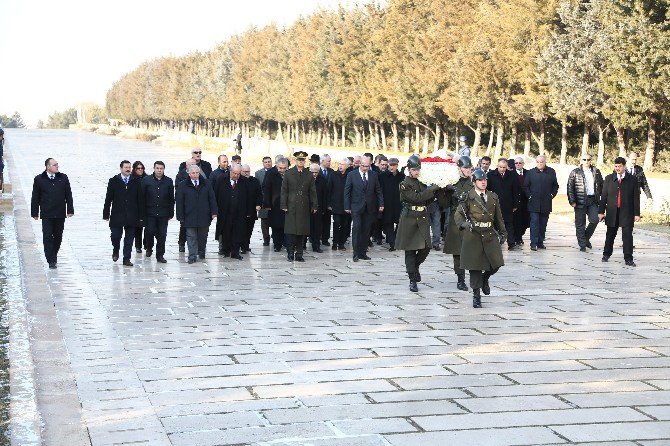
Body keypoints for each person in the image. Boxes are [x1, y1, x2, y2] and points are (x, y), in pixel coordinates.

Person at [454, 168, 507, 308]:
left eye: (485, 180)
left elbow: (499, 217)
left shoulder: (493, 197)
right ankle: (476, 296)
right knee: (475, 268)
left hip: (489, 233)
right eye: (480, 180)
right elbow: (458, 214)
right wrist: (465, 224)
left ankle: (485, 278)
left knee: (496, 263)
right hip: (474, 235)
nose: (483, 182)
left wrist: (503, 233)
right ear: (474, 182)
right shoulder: (467, 197)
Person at [395, 156, 441, 292]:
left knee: (426, 247)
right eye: (414, 169)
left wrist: (435, 191)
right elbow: (417, 198)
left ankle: (414, 268)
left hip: (422, 217)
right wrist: (431, 189)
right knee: (410, 250)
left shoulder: (421, 182)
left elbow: (427, 200)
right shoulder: (404, 183)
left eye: (418, 169)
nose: (417, 172)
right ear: (409, 170)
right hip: (409, 218)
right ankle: (412, 279)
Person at [31, 158, 74, 269]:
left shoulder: (63, 178)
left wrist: (70, 209)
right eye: (55, 165)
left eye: (57, 165)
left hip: (60, 213)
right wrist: (34, 212)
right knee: (47, 237)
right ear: (48, 167)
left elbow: (68, 195)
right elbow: (35, 197)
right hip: (47, 213)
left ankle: (53, 254)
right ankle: (51, 259)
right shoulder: (39, 179)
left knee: (58, 236)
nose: (57, 167)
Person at [599, 157, 640, 266]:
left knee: (627, 236)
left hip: (627, 212)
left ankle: (628, 258)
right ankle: (606, 254)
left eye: (619, 166)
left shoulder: (632, 179)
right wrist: (601, 211)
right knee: (610, 234)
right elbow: (603, 196)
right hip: (612, 211)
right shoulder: (608, 179)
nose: (617, 168)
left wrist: (637, 214)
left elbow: (636, 197)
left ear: (624, 166)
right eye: (616, 166)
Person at [103, 160, 145, 266]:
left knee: (129, 239)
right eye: (126, 167)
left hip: (132, 215)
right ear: (121, 168)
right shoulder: (113, 181)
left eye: (129, 167)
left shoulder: (136, 181)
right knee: (115, 236)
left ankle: (126, 258)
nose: (128, 169)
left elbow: (140, 199)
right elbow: (108, 198)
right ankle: (116, 250)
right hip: (117, 214)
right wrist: (106, 213)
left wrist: (141, 216)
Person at [443, 156, 474, 291]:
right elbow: (444, 204)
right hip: (455, 220)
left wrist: (457, 192)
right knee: (458, 252)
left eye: (469, 168)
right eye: (466, 168)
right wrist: (444, 190)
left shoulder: (474, 182)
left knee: (473, 251)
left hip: (470, 218)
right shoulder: (452, 182)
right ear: (459, 168)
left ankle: (475, 275)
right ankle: (460, 279)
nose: (468, 170)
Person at [344, 156, 384, 262]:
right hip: (356, 206)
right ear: (359, 164)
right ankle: (355, 253)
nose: (365, 168)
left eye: (367, 166)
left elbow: (378, 190)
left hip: (369, 207)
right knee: (357, 228)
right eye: (363, 166)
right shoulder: (352, 175)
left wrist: (381, 203)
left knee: (366, 230)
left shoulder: (373, 175)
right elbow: (347, 191)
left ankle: (363, 253)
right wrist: (347, 206)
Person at [175, 165, 217, 264]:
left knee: (203, 236)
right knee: (191, 236)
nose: (195, 175)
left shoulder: (206, 183)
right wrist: (180, 216)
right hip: (189, 215)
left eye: (197, 173)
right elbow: (179, 201)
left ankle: (201, 252)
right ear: (189, 174)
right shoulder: (182, 185)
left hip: (204, 215)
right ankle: (192, 255)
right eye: (193, 173)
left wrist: (214, 211)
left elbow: (212, 198)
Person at [281, 151, 318, 262]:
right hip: (291, 206)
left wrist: (314, 205)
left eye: (302, 160)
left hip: (304, 206)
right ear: (295, 161)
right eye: (299, 160)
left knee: (302, 232)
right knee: (291, 231)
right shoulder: (289, 173)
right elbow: (284, 191)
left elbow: (312, 191)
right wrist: (283, 204)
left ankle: (299, 254)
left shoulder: (309, 174)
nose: (301, 162)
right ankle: (290, 252)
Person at [215, 164, 252, 260]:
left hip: (240, 213)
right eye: (234, 173)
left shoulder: (244, 181)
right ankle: (226, 251)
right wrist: (215, 210)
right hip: (225, 212)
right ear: (230, 171)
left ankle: (235, 252)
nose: (236, 176)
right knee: (226, 232)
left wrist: (248, 212)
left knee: (238, 232)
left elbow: (249, 198)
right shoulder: (221, 179)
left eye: (238, 174)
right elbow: (216, 194)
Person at [567, 154, 603, 251]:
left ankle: (586, 238)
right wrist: (572, 201)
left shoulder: (596, 171)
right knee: (580, 223)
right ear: (581, 160)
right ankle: (582, 244)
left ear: (591, 160)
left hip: (593, 200)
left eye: (588, 159)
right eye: (584, 159)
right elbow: (570, 188)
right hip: (580, 201)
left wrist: (602, 200)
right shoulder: (575, 172)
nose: (586, 161)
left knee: (595, 220)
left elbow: (601, 186)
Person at [523, 155, 559, 251]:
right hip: (533, 203)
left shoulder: (551, 172)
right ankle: (533, 243)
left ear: (545, 162)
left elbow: (555, 186)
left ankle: (540, 242)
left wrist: (551, 195)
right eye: (538, 162)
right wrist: (529, 196)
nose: (540, 164)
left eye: (541, 162)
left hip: (546, 203)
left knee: (543, 224)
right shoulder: (531, 172)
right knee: (534, 223)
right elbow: (525, 186)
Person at [142, 161, 174, 263]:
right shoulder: (146, 180)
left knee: (162, 234)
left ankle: (160, 255)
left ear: (164, 169)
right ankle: (149, 247)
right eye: (157, 168)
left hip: (163, 213)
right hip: (149, 212)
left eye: (161, 168)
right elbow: (142, 197)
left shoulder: (168, 181)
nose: (159, 170)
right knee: (150, 232)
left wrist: (171, 212)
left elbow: (171, 198)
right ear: (154, 168)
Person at [487, 158, 520, 250]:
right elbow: (487, 190)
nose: (502, 169)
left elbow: (516, 191)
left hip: (508, 204)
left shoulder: (512, 175)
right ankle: (494, 242)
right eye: (500, 167)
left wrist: (515, 204)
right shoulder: (490, 175)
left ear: (507, 167)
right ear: (497, 166)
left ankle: (511, 243)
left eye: (504, 167)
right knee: (495, 223)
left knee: (508, 224)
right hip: (494, 203)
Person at [379, 158, 405, 251]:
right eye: (391, 165)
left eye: (394, 165)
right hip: (387, 204)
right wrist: (381, 203)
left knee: (400, 223)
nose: (392, 167)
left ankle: (394, 239)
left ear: (397, 165)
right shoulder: (382, 176)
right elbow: (380, 191)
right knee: (388, 224)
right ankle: (392, 244)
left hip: (399, 204)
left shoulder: (402, 176)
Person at [263, 158, 288, 252]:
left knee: (286, 225)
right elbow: (266, 189)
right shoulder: (270, 174)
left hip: (286, 204)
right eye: (280, 168)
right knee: (276, 225)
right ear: (276, 166)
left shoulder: (289, 174)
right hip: (274, 205)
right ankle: (277, 245)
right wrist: (267, 204)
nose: (282, 170)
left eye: (284, 168)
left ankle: (286, 243)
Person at [328, 158, 352, 251]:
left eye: (343, 164)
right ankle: (335, 243)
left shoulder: (349, 175)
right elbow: (329, 189)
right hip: (335, 204)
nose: (340, 166)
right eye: (340, 164)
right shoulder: (333, 175)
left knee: (344, 224)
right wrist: (328, 203)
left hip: (346, 205)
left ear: (347, 166)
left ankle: (341, 243)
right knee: (336, 222)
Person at [240, 164, 262, 254]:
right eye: (244, 172)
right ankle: (241, 245)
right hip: (241, 210)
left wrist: (258, 204)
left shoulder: (255, 181)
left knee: (249, 229)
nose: (246, 173)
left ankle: (246, 245)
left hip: (251, 210)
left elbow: (259, 194)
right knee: (241, 229)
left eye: (248, 171)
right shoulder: (239, 181)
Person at [309, 163, 328, 253]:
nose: (314, 174)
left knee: (317, 228)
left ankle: (316, 246)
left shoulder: (322, 180)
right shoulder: (305, 179)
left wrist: (323, 208)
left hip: (318, 208)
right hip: (306, 208)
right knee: (305, 227)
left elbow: (325, 195)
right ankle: (302, 245)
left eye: (316, 172)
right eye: (312, 172)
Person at [256, 156, 273, 246]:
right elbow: (257, 188)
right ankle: (266, 239)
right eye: (266, 162)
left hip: (274, 200)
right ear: (263, 163)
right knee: (264, 222)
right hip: (263, 200)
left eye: (269, 161)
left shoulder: (276, 171)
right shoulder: (258, 173)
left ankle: (276, 237)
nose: (267, 163)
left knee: (274, 220)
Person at [512, 157, 530, 245]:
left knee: (525, 220)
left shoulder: (528, 173)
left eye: (520, 163)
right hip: (515, 201)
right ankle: (517, 237)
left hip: (526, 201)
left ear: (523, 164)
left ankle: (520, 235)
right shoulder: (511, 173)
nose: (518, 164)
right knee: (516, 221)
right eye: (516, 163)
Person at [131, 161, 148, 254]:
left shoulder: (147, 178)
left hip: (146, 206)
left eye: (142, 168)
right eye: (138, 168)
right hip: (136, 207)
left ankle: (146, 244)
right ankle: (138, 246)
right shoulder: (132, 179)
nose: (140, 170)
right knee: (138, 228)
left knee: (148, 227)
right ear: (134, 169)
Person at [319, 154, 334, 246]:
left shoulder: (331, 172)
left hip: (328, 201)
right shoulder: (315, 170)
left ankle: (325, 239)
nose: (329, 163)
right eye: (328, 161)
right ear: (322, 161)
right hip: (319, 200)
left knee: (327, 222)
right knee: (317, 222)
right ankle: (315, 238)